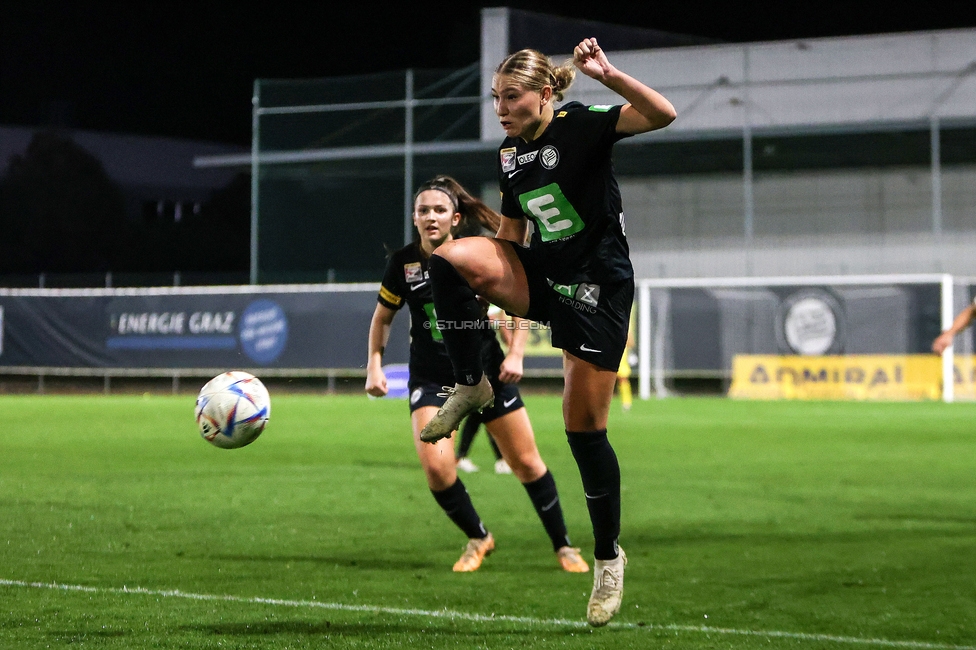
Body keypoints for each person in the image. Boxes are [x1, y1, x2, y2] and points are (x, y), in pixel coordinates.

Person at [417, 38, 676, 625]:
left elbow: (663, 115)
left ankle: (608, 557)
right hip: (544, 274)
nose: (501, 108)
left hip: (598, 290)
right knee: (447, 259)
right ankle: (472, 384)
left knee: (583, 432)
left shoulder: (581, 124)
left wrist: (607, 74)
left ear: (545, 93)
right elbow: (511, 238)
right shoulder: (511, 154)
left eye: (512, 97)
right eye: (495, 98)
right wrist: (493, 290)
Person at [365, 174, 590, 575]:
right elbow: (383, 317)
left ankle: (564, 546)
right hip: (433, 379)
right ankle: (478, 536)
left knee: (525, 463)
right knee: (437, 467)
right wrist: (375, 364)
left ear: (455, 218)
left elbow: (514, 309)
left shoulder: (473, 255)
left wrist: (516, 353)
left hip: (487, 374)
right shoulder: (403, 263)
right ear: (414, 218)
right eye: (423, 211)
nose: (430, 217)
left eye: (439, 210)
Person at [456, 305, 514, 475]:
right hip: (474, 364)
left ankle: (463, 457)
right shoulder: (468, 300)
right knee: (483, 410)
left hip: (492, 363)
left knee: (482, 411)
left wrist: (513, 354)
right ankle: (500, 459)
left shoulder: (496, 301)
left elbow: (504, 332)